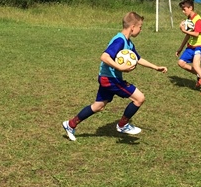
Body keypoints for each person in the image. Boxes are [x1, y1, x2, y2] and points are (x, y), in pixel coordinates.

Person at [62, 12, 167, 141]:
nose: (141, 30)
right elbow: (104, 56)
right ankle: (122, 125)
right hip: (110, 79)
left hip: (107, 77)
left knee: (98, 106)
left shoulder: (128, 43)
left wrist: (155, 67)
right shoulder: (119, 41)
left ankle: (70, 124)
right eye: (140, 27)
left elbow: (138, 59)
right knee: (139, 98)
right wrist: (120, 67)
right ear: (133, 27)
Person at [175, 0, 201, 96]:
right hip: (191, 46)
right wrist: (180, 48)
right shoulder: (189, 19)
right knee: (181, 63)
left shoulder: (198, 20)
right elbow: (188, 35)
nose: (183, 12)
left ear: (190, 8)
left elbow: (196, 34)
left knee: (196, 65)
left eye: (184, 9)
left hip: (199, 46)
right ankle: (200, 75)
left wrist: (184, 30)